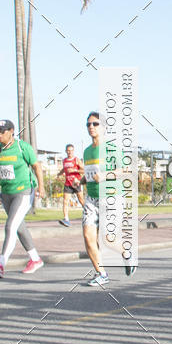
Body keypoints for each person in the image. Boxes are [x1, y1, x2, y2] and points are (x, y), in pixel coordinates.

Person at [82, 111, 136, 286]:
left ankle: (127, 254)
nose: (91, 127)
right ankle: (101, 274)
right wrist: (81, 180)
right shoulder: (87, 151)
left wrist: (106, 175)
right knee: (88, 236)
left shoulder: (112, 149)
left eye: (95, 124)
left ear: (104, 127)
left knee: (108, 239)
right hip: (91, 198)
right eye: (88, 124)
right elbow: (90, 175)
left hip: (111, 197)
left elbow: (127, 170)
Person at [0, 119, 45, 278]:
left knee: (10, 226)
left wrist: (41, 187)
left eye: (2, 131)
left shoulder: (22, 147)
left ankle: (1, 263)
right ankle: (35, 259)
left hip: (23, 191)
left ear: (11, 131)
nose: (0, 135)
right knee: (19, 227)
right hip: (5, 193)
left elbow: (36, 166)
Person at [56, 144, 85, 226]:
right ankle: (66, 219)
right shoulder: (64, 160)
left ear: (73, 151)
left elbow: (83, 170)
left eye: (71, 150)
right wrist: (59, 174)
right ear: (66, 151)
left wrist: (74, 170)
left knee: (81, 200)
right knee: (65, 201)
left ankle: (88, 213)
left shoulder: (76, 160)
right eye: (68, 150)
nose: (70, 152)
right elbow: (64, 169)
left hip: (76, 183)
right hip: (68, 183)